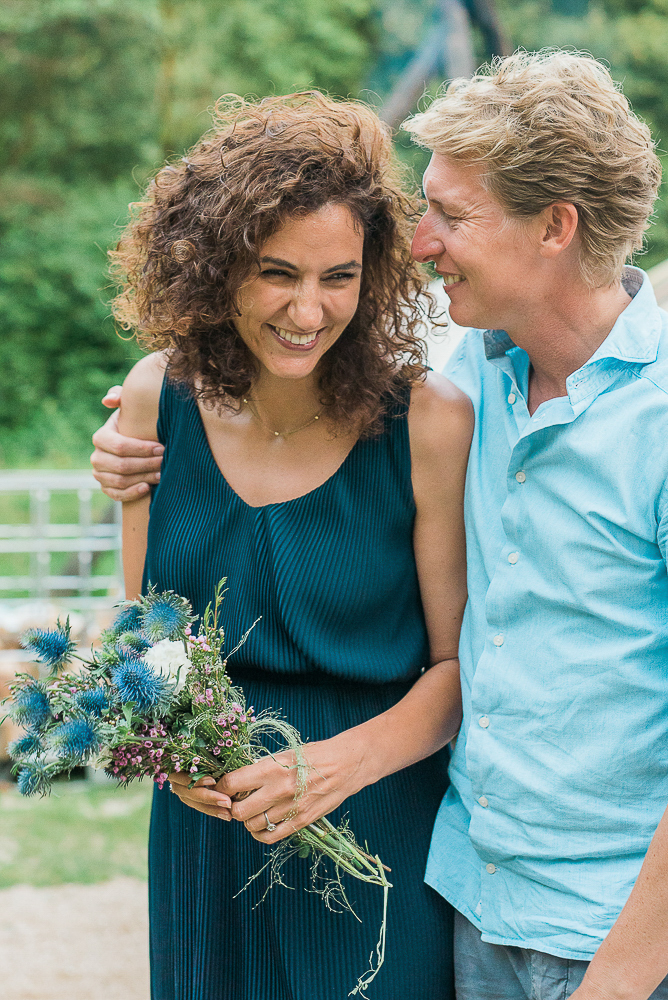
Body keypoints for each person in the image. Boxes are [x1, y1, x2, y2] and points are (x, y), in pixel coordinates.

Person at [95, 51, 668, 1000]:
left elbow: (447, 661)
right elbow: (146, 628)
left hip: (592, 926)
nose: (423, 240)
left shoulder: (491, 413)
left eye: (450, 213)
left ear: (556, 227)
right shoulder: (476, 370)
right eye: (423, 209)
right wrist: (124, 435)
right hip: (459, 897)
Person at [107, 91, 471, 1000]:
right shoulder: (157, 397)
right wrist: (173, 749)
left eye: (338, 277)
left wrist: (341, 766)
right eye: (277, 273)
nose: (309, 310)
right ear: (214, 263)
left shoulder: (426, 421)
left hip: (373, 825)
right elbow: (143, 632)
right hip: (203, 832)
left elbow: (460, 669)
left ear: (374, 272)